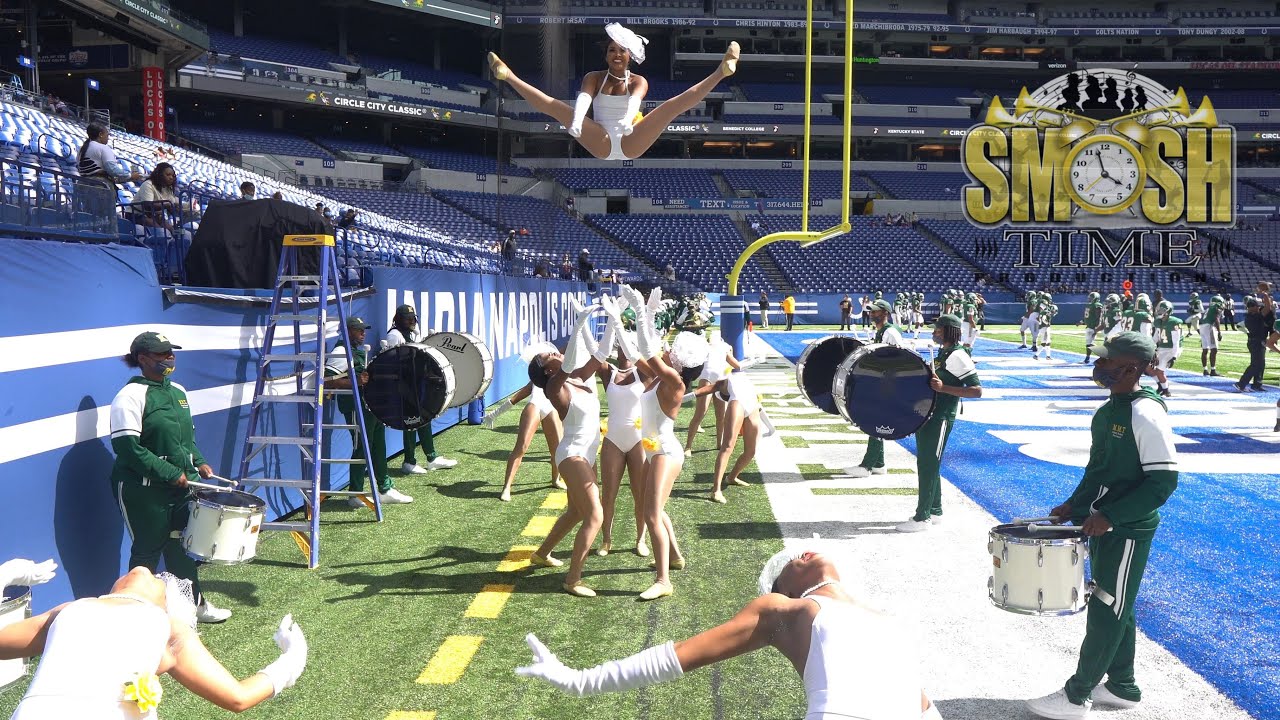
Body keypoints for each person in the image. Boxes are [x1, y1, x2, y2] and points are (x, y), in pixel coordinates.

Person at [515, 546, 943, 719]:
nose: (800, 554)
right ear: (784, 588)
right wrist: (579, 680)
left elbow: (922, 705)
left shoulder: (886, 619)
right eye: (788, 564)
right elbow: (675, 657)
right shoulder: (783, 611)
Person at [1027, 332, 1179, 720]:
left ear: (1130, 368)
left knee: (1106, 608)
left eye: (1106, 360)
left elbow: (1163, 482)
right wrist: (1073, 505)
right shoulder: (1108, 410)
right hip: (1103, 525)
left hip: (1128, 530)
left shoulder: (1146, 413)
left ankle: (1076, 696)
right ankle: (1122, 686)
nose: (1097, 365)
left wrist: (1111, 516)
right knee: (1114, 602)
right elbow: (1097, 471)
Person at [1, 564, 306, 718]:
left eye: (163, 581)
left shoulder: (170, 631)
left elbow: (238, 697)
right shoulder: (71, 610)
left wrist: (291, 663)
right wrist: (4, 576)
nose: (149, 573)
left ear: (166, 605)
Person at [109, 331, 230, 624]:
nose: (170, 358)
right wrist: (170, 472)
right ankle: (135, 618)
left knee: (182, 547)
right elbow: (127, 448)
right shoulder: (129, 396)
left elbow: (185, 441)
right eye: (162, 354)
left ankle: (193, 605)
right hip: (142, 489)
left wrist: (198, 462)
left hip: (179, 488)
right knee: (146, 552)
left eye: (171, 352)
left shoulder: (178, 391)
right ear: (143, 359)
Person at [488, 23, 740, 162]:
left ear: (630, 56)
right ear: (605, 54)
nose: (616, 54)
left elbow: (635, 101)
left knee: (670, 107)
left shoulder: (638, 80)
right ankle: (507, 75)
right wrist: (576, 122)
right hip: (601, 141)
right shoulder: (594, 77)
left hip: (632, 140)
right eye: (611, 50)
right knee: (557, 107)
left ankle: (721, 71)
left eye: (621, 50)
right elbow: (584, 98)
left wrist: (629, 123)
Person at [609, 286, 706, 600]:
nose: (666, 350)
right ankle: (674, 556)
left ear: (677, 364)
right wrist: (620, 322)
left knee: (651, 514)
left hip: (664, 452)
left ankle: (663, 581)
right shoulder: (661, 378)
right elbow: (636, 352)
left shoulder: (674, 382)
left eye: (671, 353)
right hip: (655, 451)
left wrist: (643, 313)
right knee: (656, 510)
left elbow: (648, 352)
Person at [526, 299, 612, 597]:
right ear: (548, 370)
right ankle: (573, 579)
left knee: (576, 511)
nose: (555, 352)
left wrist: (612, 320)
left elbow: (601, 355)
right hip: (573, 454)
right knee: (595, 516)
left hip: (586, 453)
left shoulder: (578, 378)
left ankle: (541, 553)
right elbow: (569, 359)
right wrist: (578, 324)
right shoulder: (554, 387)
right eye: (549, 355)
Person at [897, 316, 981, 532]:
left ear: (949, 331)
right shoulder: (945, 353)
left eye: (938, 329)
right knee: (928, 463)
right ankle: (935, 510)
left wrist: (943, 388)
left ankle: (922, 518)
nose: (934, 332)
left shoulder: (958, 355)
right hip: (929, 415)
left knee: (928, 465)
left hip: (941, 417)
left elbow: (976, 391)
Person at [325, 317, 413, 506]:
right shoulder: (340, 351)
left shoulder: (355, 351)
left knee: (378, 446)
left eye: (363, 330)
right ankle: (355, 494)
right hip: (355, 408)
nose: (363, 333)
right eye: (358, 330)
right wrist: (355, 381)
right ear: (347, 331)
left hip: (370, 406)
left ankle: (384, 488)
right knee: (361, 448)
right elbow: (326, 381)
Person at [484, 343, 567, 502]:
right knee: (521, 447)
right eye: (547, 356)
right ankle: (507, 487)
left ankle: (555, 480)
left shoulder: (562, 377)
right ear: (544, 369)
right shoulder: (536, 382)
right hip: (535, 406)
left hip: (551, 410)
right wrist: (494, 414)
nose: (552, 354)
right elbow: (515, 399)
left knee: (557, 450)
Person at [595, 329, 650, 557]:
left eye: (628, 347)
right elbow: (597, 354)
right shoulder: (608, 371)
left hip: (638, 440)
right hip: (613, 440)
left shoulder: (643, 373)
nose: (624, 351)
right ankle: (606, 540)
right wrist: (612, 324)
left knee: (641, 494)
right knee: (609, 494)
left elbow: (653, 360)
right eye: (620, 346)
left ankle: (641, 539)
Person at [383, 305, 458, 474]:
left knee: (424, 417)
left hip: (415, 384)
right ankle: (409, 462)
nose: (412, 321)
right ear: (398, 319)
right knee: (410, 422)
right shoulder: (394, 335)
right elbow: (391, 362)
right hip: (403, 386)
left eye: (413, 318)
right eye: (407, 318)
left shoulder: (412, 334)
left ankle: (432, 458)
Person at [848, 300, 904, 478]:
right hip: (881, 381)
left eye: (875, 312)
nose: (871, 314)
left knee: (876, 422)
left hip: (889, 384)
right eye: (871, 312)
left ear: (885, 313)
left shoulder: (891, 332)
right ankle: (879, 463)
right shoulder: (880, 331)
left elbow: (902, 358)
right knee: (876, 420)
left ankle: (867, 466)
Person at [77, 123, 143, 215]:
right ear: (100, 134)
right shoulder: (103, 148)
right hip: (100, 187)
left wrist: (128, 178)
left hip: (82, 185)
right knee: (103, 218)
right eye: (107, 135)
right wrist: (130, 175)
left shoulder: (82, 149)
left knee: (89, 216)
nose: (108, 138)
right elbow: (112, 169)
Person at [1151, 301, 1183, 398]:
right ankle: (1162, 388)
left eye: (1162, 310)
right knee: (1150, 368)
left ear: (1168, 311)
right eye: (1159, 309)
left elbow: (1176, 342)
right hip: (1161, 348)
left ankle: (1166, 391)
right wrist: (1150, 348)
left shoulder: (1174, 322)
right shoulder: (1158, 321)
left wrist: (1174, 356)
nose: (1160, 312)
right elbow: (1155, 338)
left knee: (1159, 370)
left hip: (1171, 349)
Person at [1236, 296, 1268, 392]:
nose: (1258, 308)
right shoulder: (1254, 316)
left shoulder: (1250, 316)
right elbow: (1267, 309)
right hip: (1256, 342)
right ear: (1252, 307)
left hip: (1255, 341)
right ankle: (1241, 384)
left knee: (1261, 364)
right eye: (1257, 306)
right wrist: (1265, 295)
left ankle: (1257, 384)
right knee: (1256, 364)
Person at [134, 163, 179, 229]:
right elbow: (147, 206)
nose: (171, 177)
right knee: (160, 231)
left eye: (173, 176)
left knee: (171, 230)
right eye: (168, 175)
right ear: (159, 174)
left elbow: (172, 204)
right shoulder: (148, 184)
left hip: (155, 216)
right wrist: (166, 205)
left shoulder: (168, 188)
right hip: (137, 215)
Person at [1200, 295, 1223, 376]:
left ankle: (1205, 369)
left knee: (1205, 349)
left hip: (1202, 326)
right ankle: (1213, 370)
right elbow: (1216, 319)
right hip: (1209, 326)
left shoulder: (1208, 308)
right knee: (1214, 349)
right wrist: (1219, 332)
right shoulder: (1216, 307)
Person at [1078, 292, 1104, 364]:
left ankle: (1103, 354)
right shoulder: (1089, 305)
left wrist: (1097, 327)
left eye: (1091, 298)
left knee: (1090, 344)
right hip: (1089, 326)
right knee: (1088, 344)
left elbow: (1099, 317)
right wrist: (1081, 322)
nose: (1089, 299)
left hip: (1093, 326)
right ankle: (1087, 359)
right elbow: (1087, 317)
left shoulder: (1097, 305)